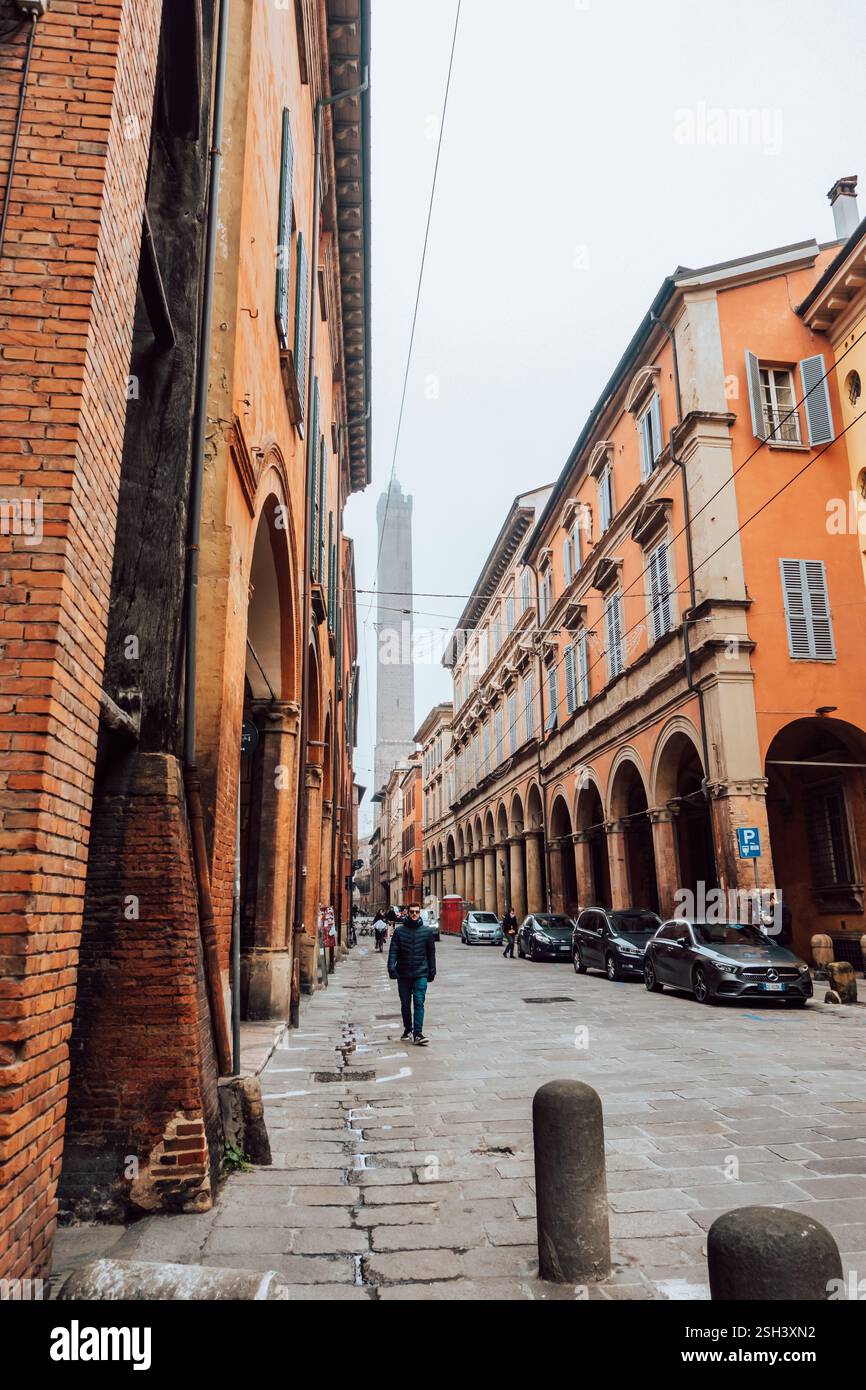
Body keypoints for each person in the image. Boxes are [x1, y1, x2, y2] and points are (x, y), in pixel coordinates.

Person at [387, 902, 436, 1045]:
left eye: (417, 912)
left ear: (419, 913)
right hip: (403, 974)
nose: (414, 914)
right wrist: (391, 968)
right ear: (407, 913)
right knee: (405, 1004)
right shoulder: (399, 931)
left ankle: (418, 1034)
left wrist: (432, 970)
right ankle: (408, 1028)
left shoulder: (427, 932)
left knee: (419, 1002)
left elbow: (431, 954)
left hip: (421, 973)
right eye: (412, 912)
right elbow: (393, 951)